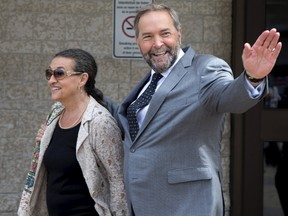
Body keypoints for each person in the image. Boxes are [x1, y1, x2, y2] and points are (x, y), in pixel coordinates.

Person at [115, 4, 282, 216]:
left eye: (164, 33)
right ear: (137, 41)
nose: (157, 44)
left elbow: (230, 97)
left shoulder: (205, 69)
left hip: (188, 204)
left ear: (179, 33)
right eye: (147, 36)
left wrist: (253, 77)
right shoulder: (148, 83)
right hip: (142, 204)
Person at [18, 48, 129, 216]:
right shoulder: (55, 113)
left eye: (59, 73)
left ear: (82, 79)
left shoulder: (100, 122)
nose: (51, 80)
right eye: (49, 73)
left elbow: (117, 181)